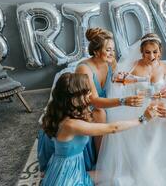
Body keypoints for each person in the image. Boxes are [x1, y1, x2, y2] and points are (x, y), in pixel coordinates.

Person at [96, 33, 166, 186]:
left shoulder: (165, 67)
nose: (152, 56)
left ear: (160, 52)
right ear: (141, 52)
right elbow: (122, 87)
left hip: (162, 106)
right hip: (140, 108)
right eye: (147, 52)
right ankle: (146, 166)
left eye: (155, 52)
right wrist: (124, 81)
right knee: (146, 131)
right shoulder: (134, 66)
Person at [37, 28, 144, 173]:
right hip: (86, 105)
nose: (112, 53)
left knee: (132, 109)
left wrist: (123, 78)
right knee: (100, 113)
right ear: (96, 51)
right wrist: (123, 101)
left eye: (113, 49)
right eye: (108, 49)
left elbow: (116, 80)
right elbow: (93, 101)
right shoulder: (84, 69)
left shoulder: (110, 62)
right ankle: (100, 159)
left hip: (105, 101)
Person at [41, 72, 155, 186]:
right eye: (86, 92)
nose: (90, 94)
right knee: (120, 179)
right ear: (73, 98)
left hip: (66, 167)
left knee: (116, 174)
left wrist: (123, 101)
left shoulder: (62, 112)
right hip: (67, 177)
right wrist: (142, 119)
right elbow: (113, 128)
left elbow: (98, 106)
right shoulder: (70, 125)